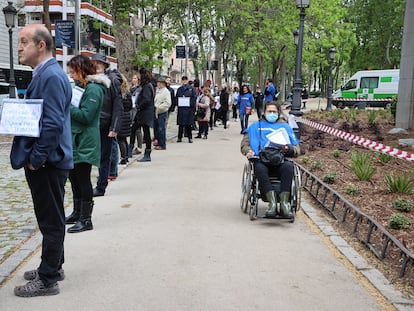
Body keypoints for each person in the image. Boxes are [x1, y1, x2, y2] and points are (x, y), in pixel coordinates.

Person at [11, 24, 73, 297]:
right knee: (52, 216)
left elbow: (52, 124)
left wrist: (36, 159)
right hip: (49, 160)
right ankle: (53, 265)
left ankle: (48, 279)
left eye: (24, 41)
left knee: (51, 220)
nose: (19, 46)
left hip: (48, 162)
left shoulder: (49, 76)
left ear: (41, 45)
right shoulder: (47, 74)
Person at [65, 54, 110, 233]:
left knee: (83, 179)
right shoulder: (81, 86)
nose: (70, 75)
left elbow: (86, 116)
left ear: (81, 70)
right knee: (73, 177)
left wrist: (66, 106)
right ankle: (77, 212)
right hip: (76, 139)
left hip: (85, 140)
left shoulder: (94, 89)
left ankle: (86, 218)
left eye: (73, 71)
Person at [240, 101, 300, 218]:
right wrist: (248, 151)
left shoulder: (285, 127)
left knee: (289, 167)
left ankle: (284, 204)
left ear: (278, 113)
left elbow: (297, 148)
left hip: (280, 160)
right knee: (259, 168)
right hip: (262, 160)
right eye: (269, 111)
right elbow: (245, 143)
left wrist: (290, 149)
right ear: (264, 112)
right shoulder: (255, 127)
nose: (272, 114)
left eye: (274, 112)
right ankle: (272, 203)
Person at [91, 53, 123, 197]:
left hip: (105, 124)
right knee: (94, 157)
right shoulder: (90, 80)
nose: (97, 65)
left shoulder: (112, 81)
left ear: (104, 65)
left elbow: (117, 105)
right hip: (93, 123)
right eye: (94, 63)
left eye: (99, 63)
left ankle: (101, 186)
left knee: (104, 157)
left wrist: (114, 127)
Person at [135, 68, 155, 161]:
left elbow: (146, 99)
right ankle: (147, 153)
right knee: (145, 133)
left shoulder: (147, 86)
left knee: (146, 133)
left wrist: (139, 106)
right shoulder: (148, 85)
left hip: (145, 113)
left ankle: (147, 153)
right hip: (146, 113)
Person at [176, 76, 196, 143]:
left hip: (189, 109)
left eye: (185, 80)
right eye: (183, 80)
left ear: (187, 81)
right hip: (181, 108)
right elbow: (177, 98)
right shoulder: (179, 89)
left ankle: (190, 138)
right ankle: (179, 137)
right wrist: (179, 103)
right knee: (181, 124)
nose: (184, 81)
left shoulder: (191, 89)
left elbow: (194, 98)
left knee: (188, 124)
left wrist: (189, 103)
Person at [118, 73, 133, 164]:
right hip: (127, 115)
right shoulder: (128, 92)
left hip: (121, 116)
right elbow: (131, 105)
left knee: (120, 139)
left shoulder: (120, 92)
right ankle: (126, 156)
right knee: (124, 139)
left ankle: (123, 158)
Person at [153, 76, 171, 150]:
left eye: (159, 82)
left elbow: (168, 103)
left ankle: (162, 144)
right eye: (158, 82)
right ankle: (158, 142)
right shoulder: (158, 91)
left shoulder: (166, 91)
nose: (158, 84)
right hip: (156, 112)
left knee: (161, 128)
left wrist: (159, 107)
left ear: (163, 84)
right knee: (156, 128)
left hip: (162, 112)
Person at [128, 74, 143, 157]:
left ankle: (139, 147)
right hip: (131, 109)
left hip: (136, 110)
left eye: (135, 78)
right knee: (133, 129)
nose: (133, 79)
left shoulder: (139, 89)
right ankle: (132, 146)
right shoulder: (131, 88)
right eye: (132, 78)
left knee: (137, 129)